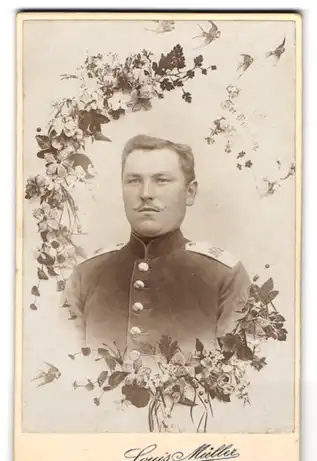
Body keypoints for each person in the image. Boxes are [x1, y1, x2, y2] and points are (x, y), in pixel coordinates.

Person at [65, 134, 251, 357]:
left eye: (161, 180)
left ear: (189, 192)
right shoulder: (85, 276)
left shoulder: (225, 276)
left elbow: (240, 376)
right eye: (133, 180)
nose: (145, 194)